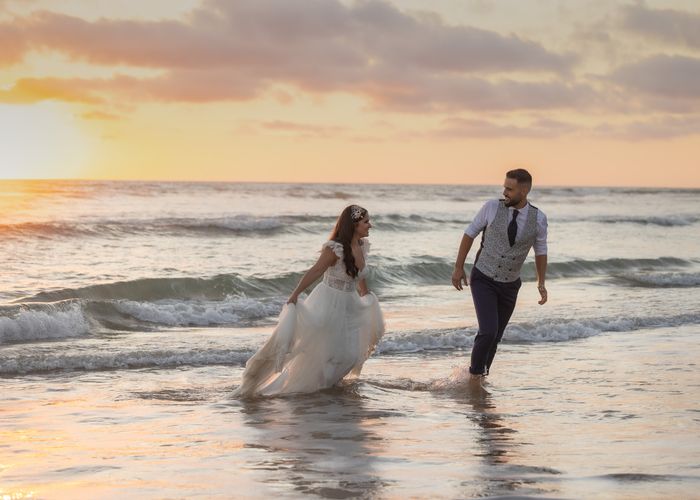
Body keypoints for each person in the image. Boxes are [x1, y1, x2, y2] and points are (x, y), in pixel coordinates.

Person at [234, 205, 384, 397]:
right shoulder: (335, 248)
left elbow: (358, 274)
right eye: (366, 222)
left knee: (350, 354)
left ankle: (328, 388)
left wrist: (365, 293)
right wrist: (295, 294)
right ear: (354, 225)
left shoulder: (363, 246)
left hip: (351, 303)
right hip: (329, 302)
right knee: (326, 350)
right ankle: (316, 387)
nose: (370, 225)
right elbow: (315, 271)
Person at [451, 169, 548, 383]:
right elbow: (469, 234)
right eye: (504, 187)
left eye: (509, 189)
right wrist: (458, 267)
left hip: (510, 285)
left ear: (524, 191)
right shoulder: (491, 207)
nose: (504, 192)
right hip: (483, 277)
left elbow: (540, 251)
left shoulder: (538, 218)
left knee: (495, 337)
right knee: (487, 331)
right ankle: (474, 375)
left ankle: (482, 377)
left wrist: (541, 282)